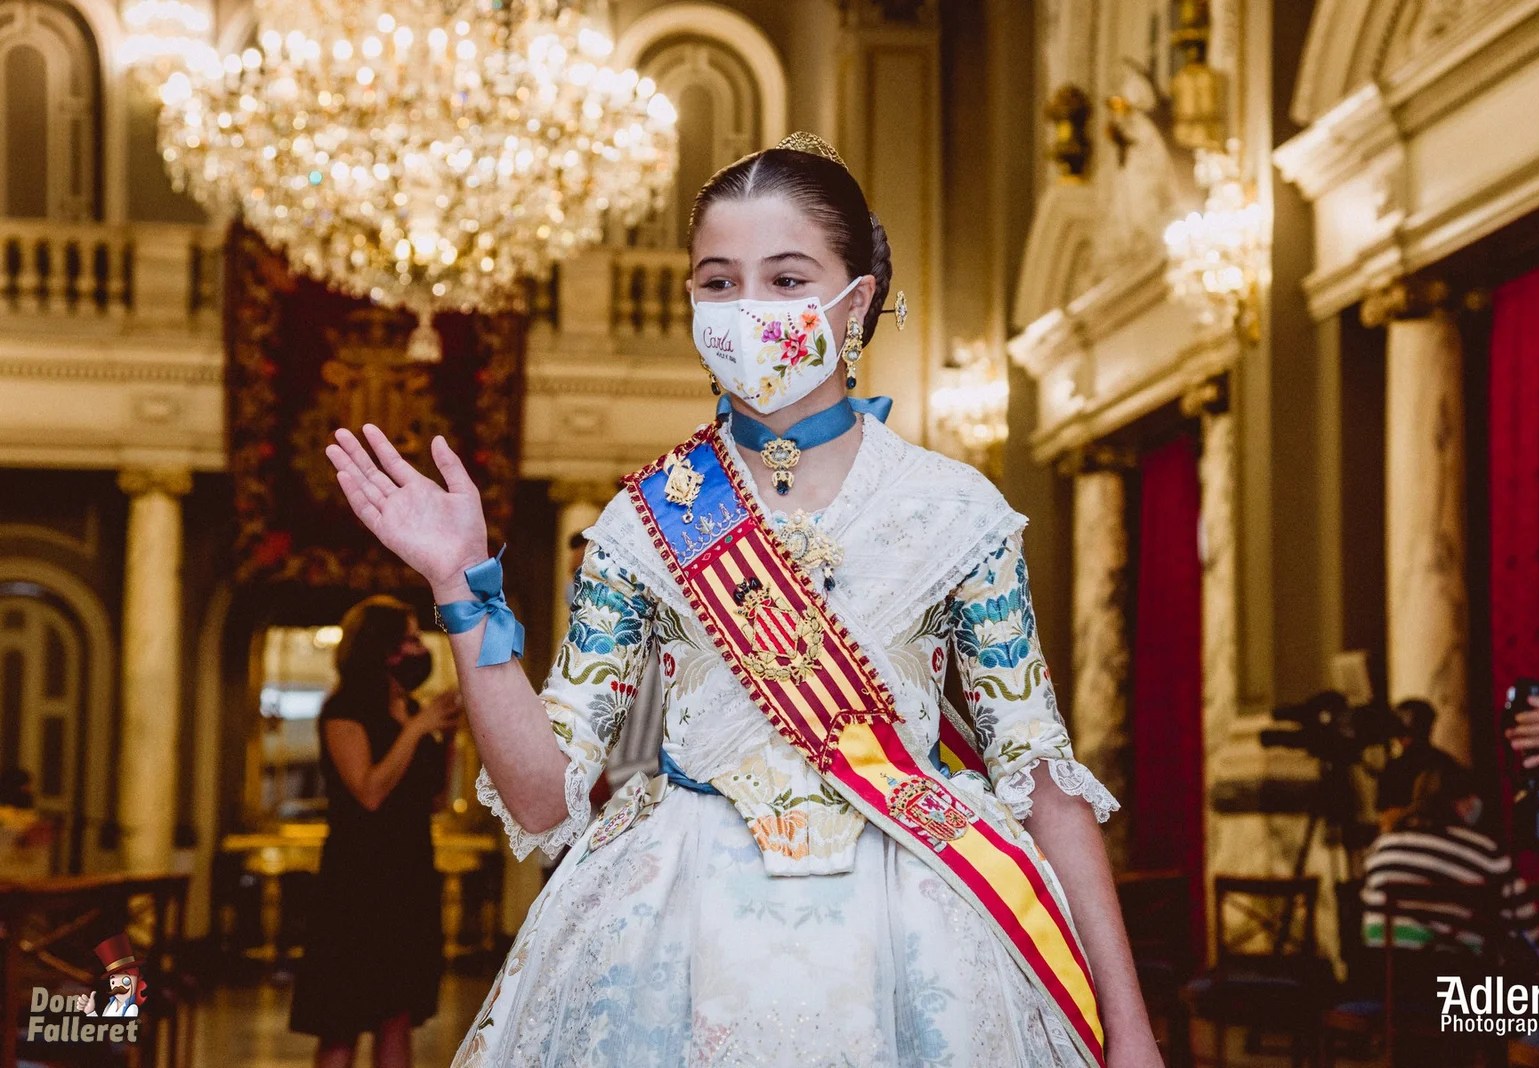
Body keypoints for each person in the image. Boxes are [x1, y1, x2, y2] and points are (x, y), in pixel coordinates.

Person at [326, 133, 1159, 1067]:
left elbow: (1043, 784)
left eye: (787, 277)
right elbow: (539, 792)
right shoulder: (646, 520)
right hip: (673, 934)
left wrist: (1128, 1031)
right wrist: (458, 589)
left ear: (859, 298)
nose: (747, 309)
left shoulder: (954, 510)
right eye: (718, 282)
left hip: (918, 928)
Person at [288, 596, 462, 1068]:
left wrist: (444, 739)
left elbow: (434, 801)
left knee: (397, 1014)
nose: (417, 646)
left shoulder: (412, 707)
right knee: (341, 1019)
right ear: (382, 648)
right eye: (407, 637)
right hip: (357, 880)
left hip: (409, 875)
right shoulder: (345, 710)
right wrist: (416, 729)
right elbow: (368, 792)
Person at [1361, 759, 1539, 990]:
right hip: (1457, 990)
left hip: (1384, 988)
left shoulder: (1382, 848)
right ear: (1462, 803)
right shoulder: (1485, 852)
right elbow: (1527, 933)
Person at [1375, 699, 1454, 832]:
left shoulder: (1445, 766)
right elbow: (1385, 817)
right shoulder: (1393, 769)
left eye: (1408, 734)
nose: (1404, 739)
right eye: (1401, 734)